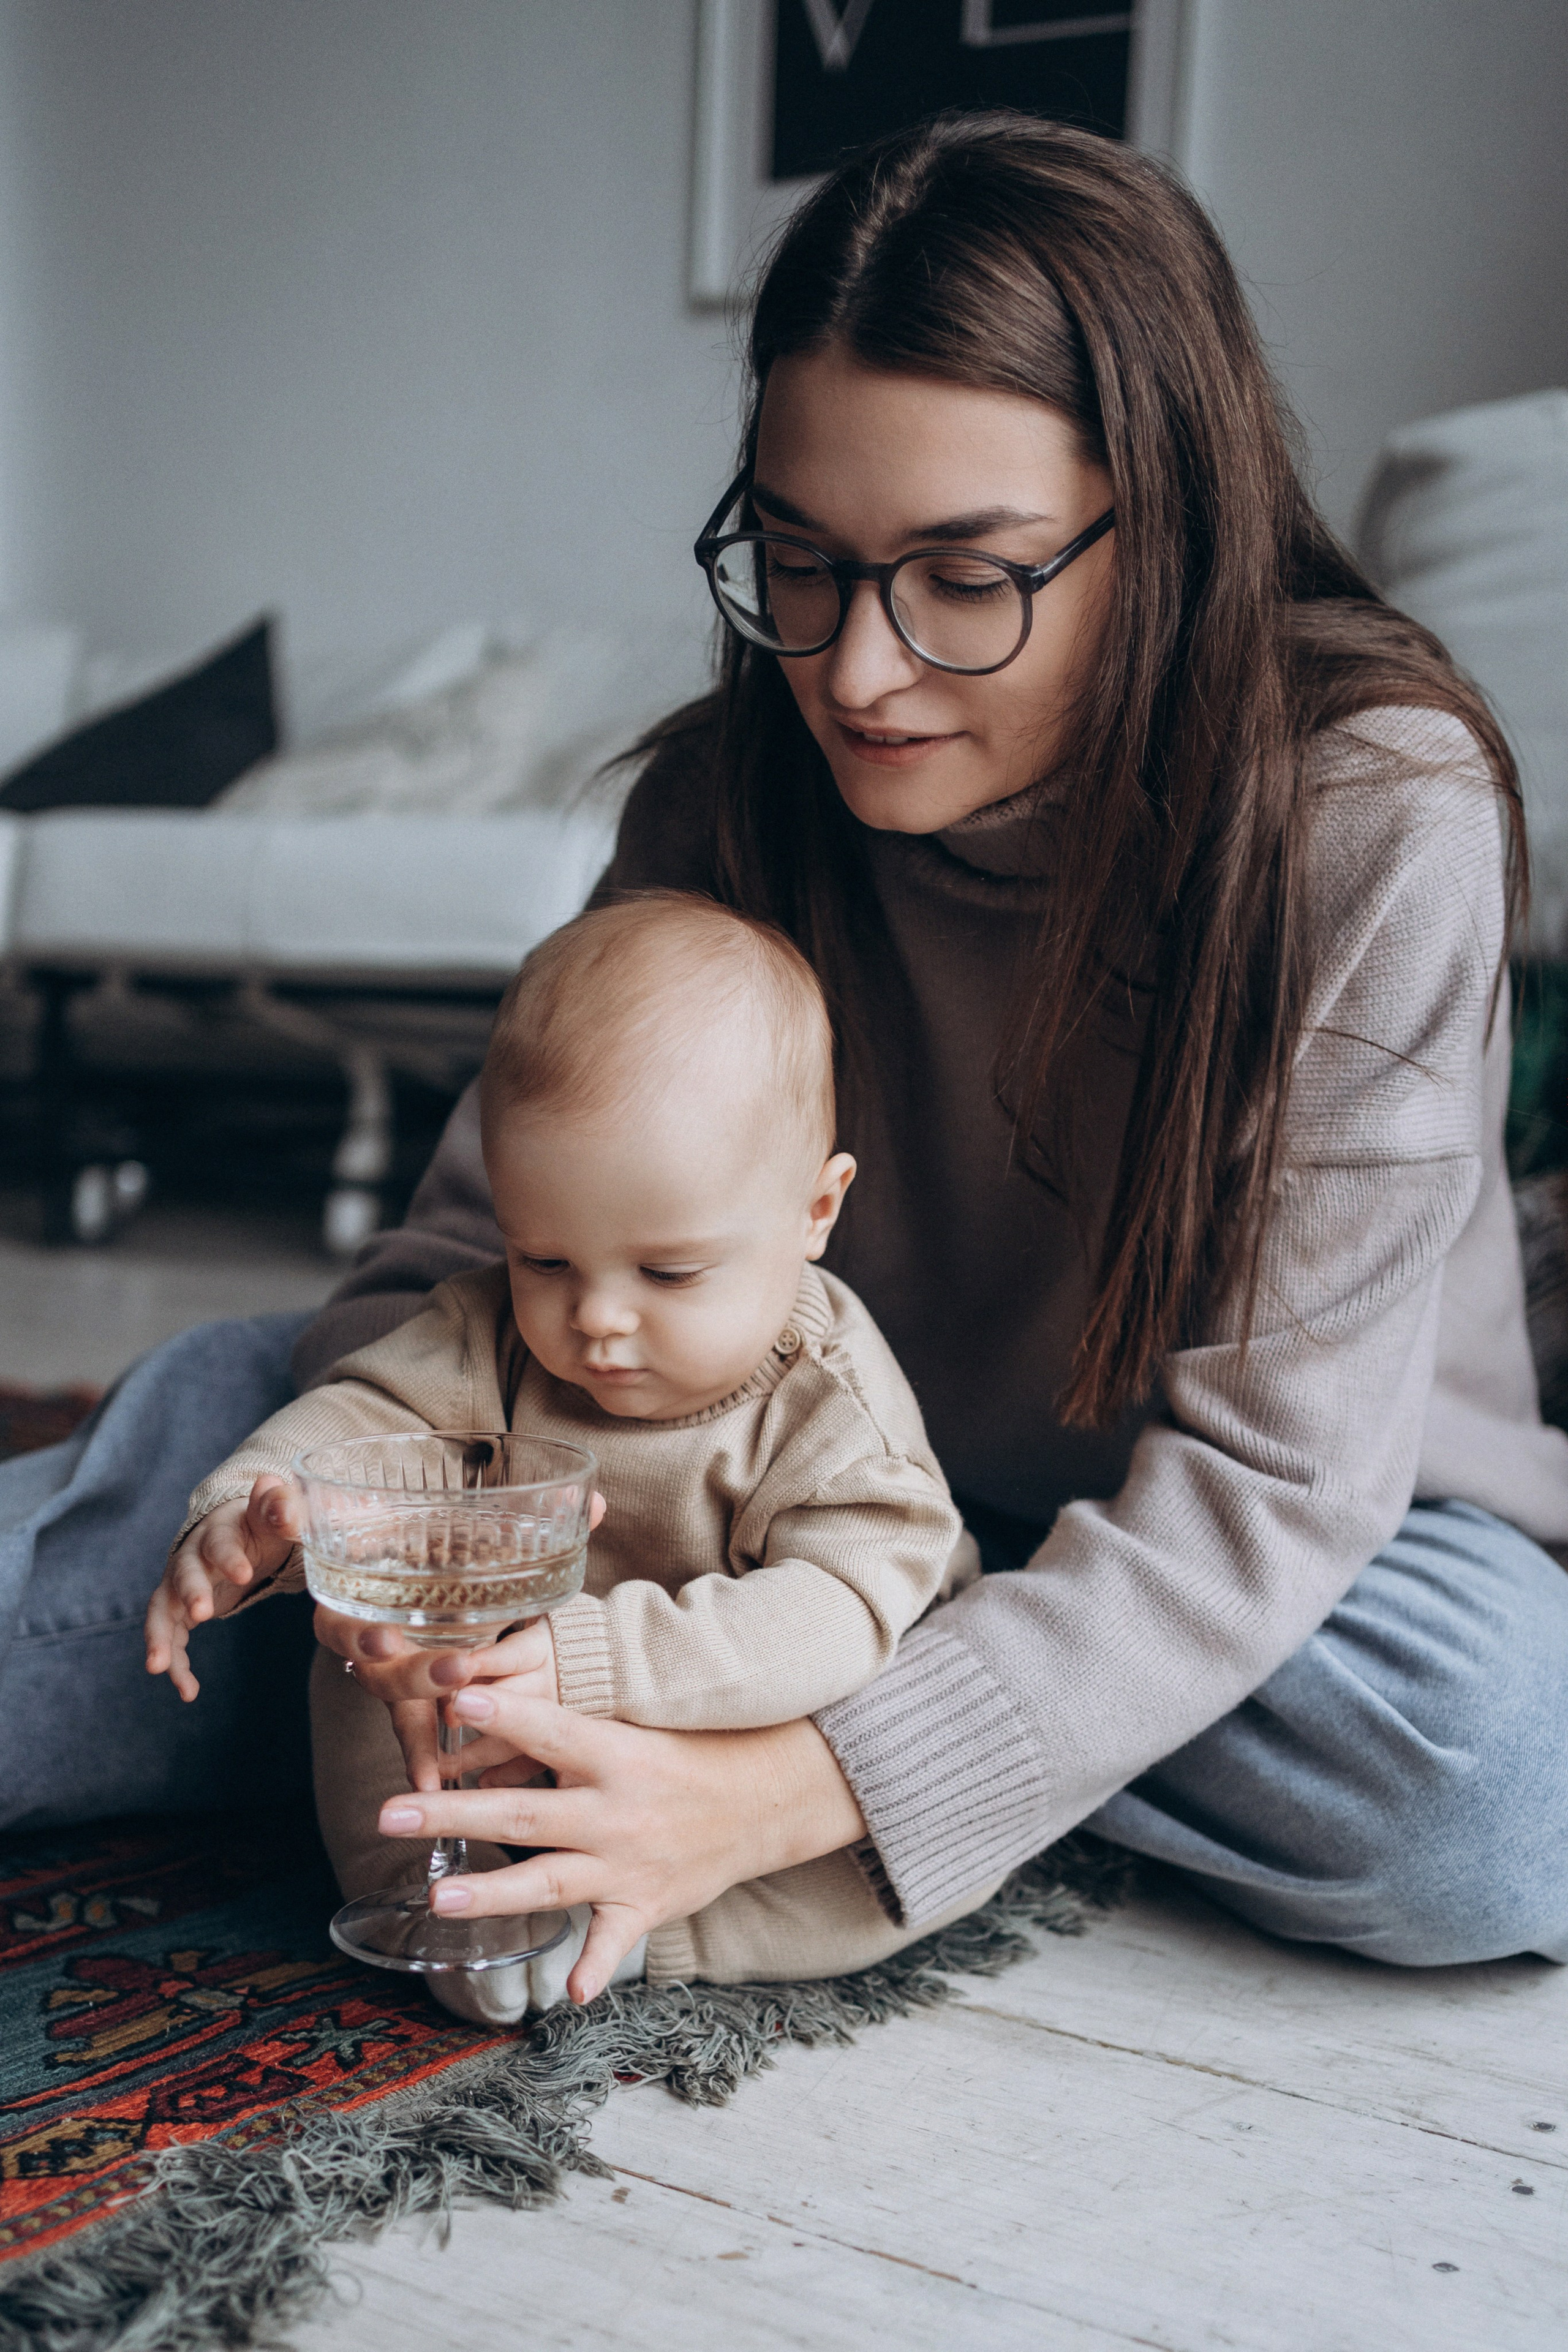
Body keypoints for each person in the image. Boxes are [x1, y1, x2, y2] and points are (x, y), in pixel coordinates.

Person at [13, 113, 1568, 1988]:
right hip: (713, 1503)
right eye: (801, 560)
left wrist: (789, 1782)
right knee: (229, 1483)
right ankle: (739, 1719)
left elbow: (1271, 1502)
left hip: (1247, 1542)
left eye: (966, 577)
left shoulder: (1373, 816)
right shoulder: (727, 789)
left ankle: (805, 1725)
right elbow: (453, 1278)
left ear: (1165, 528)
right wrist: (368, 1549)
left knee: (1482, 1787)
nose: (854, 671)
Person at [146, 892, 983, 2013]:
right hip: (512, 1704)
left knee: (880, 1827)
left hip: (731, 1732)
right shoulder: (490, 1330)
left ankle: (654, 1931)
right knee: (378, 1647)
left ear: (815, 1210)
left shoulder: (829, 1406)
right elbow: (366, 1411)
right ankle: (441, 1888)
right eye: (544, 1259)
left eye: (668, 1273)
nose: (596, 1318)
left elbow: (838, 1617)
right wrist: (263, 1507)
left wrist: (594, 1660)